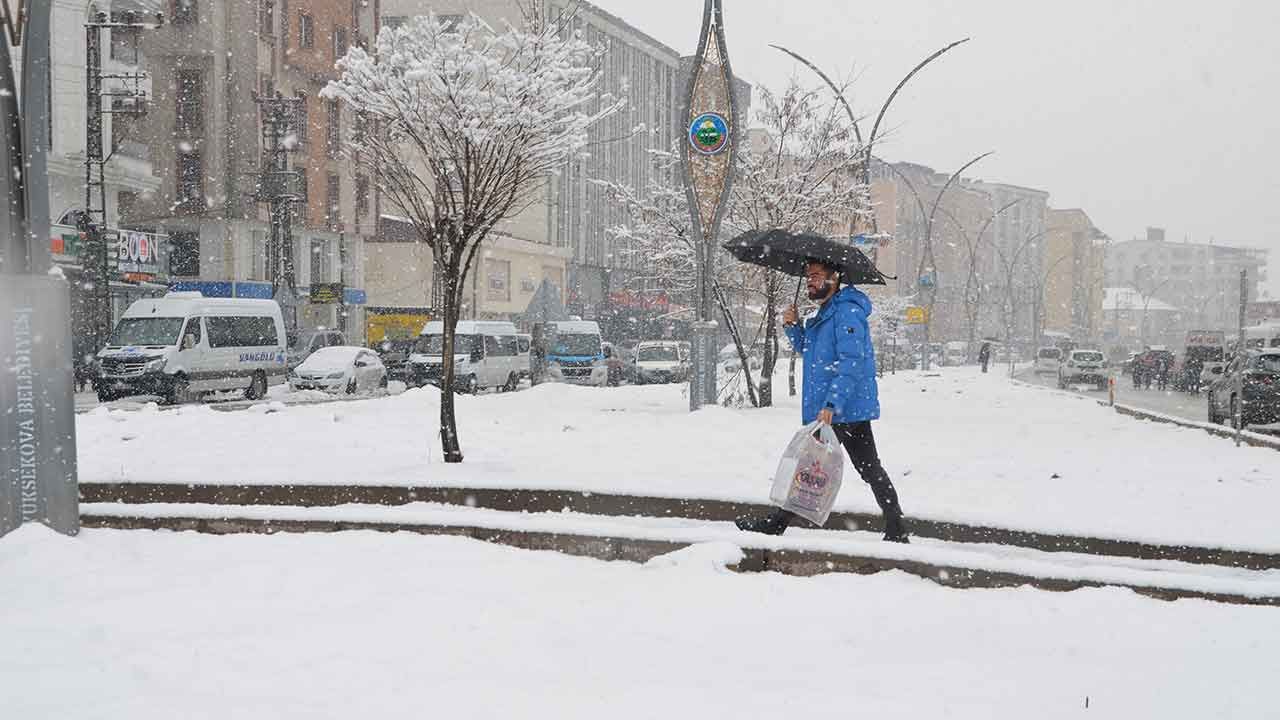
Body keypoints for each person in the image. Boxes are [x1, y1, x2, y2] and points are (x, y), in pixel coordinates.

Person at [736, 259, 909, 543]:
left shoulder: (847, 313)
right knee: (862, 468)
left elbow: (851, 362)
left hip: (842, 409)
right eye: (808, 278)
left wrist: (832, 404)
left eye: (816, 276)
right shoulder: (826, 314)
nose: (810, 282)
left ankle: (777, 523)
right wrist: (792, 327)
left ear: (835, 278)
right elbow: (813, 354)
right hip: (834, 409)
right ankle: (896, 528)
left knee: (823, 466)